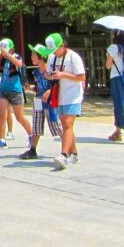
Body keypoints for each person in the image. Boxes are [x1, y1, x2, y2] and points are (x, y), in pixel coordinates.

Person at [0, 39, 33, 151]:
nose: (2, 52)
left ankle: (32, 135)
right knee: (2, 115)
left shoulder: (16, 56)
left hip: (15, 91)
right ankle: (2, 140)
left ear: (12, 49)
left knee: (20, 117)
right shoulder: (1, 60)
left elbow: (19, 64)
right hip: (3, 90)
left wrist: (7, 54)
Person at [44, 33, 85, 171]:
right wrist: (49, 76)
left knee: (68, 124)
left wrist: (63, 75)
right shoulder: (51, 57)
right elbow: (48, 74)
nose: (54, 52)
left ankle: (63, 154)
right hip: (59, 95)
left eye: (55, 49)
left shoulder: (73, 57)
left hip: (73, 95)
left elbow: (81, 77)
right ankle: (74, 153)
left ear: (62, 45)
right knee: (65, 124)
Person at [19, 44, 62, 159]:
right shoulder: (36, 72)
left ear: (41, 57)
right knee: (36, 125)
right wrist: (29, 88)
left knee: (56, 125)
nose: (31, 57)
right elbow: (38, 88)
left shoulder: (50, 70)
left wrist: (49, 91)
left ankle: (67, 148)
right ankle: (33, 149)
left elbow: (57, 84)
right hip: (38, 101)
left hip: (50, 103)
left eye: (34, 55)